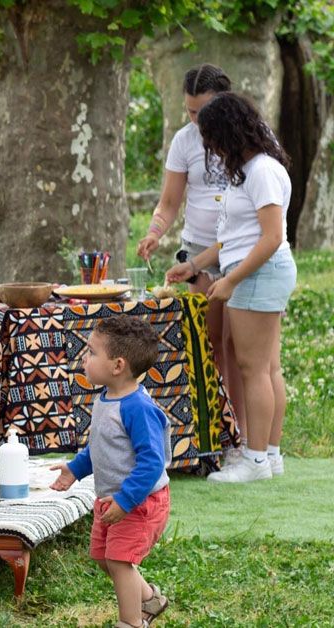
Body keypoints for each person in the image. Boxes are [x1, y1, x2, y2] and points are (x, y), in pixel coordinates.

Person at [167, 92, 296, 483]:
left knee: (252, 368)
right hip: (249, 270)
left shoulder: (261, 171)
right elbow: (233, 238)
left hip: (258, 273)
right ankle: (269, 454)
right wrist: (194, 265)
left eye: (212, 137)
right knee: (267, 367)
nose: (210, 147)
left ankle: (254, 459)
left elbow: (271, 237)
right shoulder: (245, 172)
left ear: (229, 132)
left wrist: (230, 281)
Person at [137, 63, 243, 437]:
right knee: (210, 341)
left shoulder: (246, 137)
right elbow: (168, 203)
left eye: (204, 112)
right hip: (198, 250)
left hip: (240, 249)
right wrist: (154, 233)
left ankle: (244, 433)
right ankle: (215, 429)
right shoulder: (184, 140)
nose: (197, 120)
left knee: (239, 346)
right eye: (190, 112)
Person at [51, 316, 172, 628]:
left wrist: (126, 501)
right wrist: (74, 470)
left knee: (119, 561)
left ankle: (131, 622)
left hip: (139, 502)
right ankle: (150, 599)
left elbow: (152, 463)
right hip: (114, 500)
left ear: (117, 366)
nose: (85, 359)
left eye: (91, 353)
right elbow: (101, 446)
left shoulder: (138, 408)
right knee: (105, 558)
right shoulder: (106, 397)